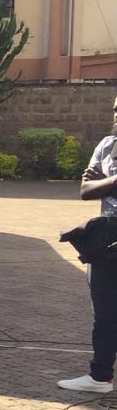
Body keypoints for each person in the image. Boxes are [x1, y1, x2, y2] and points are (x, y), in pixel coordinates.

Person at [58, 96, 117, 393]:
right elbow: (84, 190)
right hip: (108, 239)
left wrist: (104, 181)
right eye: (116, 109)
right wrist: (112, 181)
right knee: (105, 311)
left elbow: (97, 186)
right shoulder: (107, 144)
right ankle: (100, 377)